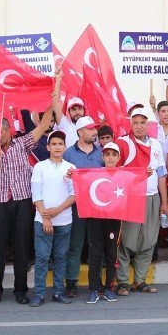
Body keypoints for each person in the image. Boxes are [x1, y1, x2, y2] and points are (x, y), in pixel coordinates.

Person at [0, 104, 55, 305]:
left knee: (21, 247)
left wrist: (48, 104)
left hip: (22, 201)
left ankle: (20, 290)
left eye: (1, 132)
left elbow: (42, 126)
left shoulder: (22, 143)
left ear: (8, 131)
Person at [116, 108, 168, 294]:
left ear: (148, 124)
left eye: (142, 122)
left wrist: (164, 202)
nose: (139, 126)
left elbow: (161, 174)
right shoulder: (122, 143)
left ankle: (140, 280)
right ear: (130, 124)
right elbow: (114, 171)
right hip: (131, 199)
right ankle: (122, 281)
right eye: (135, 122)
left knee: (149, 240)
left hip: (152, 197)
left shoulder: (156, 144)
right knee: (126, 241)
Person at [30, 130, 76, 307]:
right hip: (42, 220)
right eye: (54, 144)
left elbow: (74, 195)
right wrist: (46, 217)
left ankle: (58, 291)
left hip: (64, 220)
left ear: (65, 147)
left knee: (60, 257)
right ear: (48, 147)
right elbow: (36, 194)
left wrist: (57, 210)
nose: (57, 147)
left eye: (60, 144)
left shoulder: (71, 168)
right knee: (42, 257)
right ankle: (40, 293)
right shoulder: (40, 167)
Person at [61, 116, 101, 297]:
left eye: (95, 129)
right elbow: (62, 179)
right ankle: (71, 282)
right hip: (76, 207)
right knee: (75, 244)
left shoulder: (101, 152)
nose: (94, 132)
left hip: (98, 207)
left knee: (96, 245)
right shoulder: (68, 153)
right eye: (91, 129)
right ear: (80, 131)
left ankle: (97, 281)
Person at [84, 142, 123, 303]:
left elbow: (136, 183)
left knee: (112, 255)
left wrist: (145, 174)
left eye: (114, 155)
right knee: (95, 255)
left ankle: (109, 288)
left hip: (114, 221)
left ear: (119, 157)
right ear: (102, 156)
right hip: (95, 219)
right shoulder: (94, 173)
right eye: (107, 154)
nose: (111, 158)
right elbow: (81, 182)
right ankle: (93, 289)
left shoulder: (123, 175)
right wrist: (71, 175)